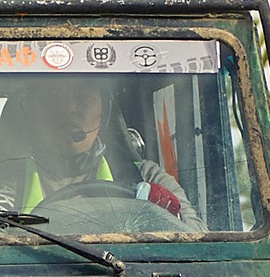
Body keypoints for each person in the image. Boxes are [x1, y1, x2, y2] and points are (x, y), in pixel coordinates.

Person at [19, 85, 194, 220]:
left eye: (83, 98)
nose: (69, 109)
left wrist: (165, 215)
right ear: (34, 114)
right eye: (54, 98)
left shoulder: (147, 176)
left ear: (105, 112)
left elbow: (197, 237)